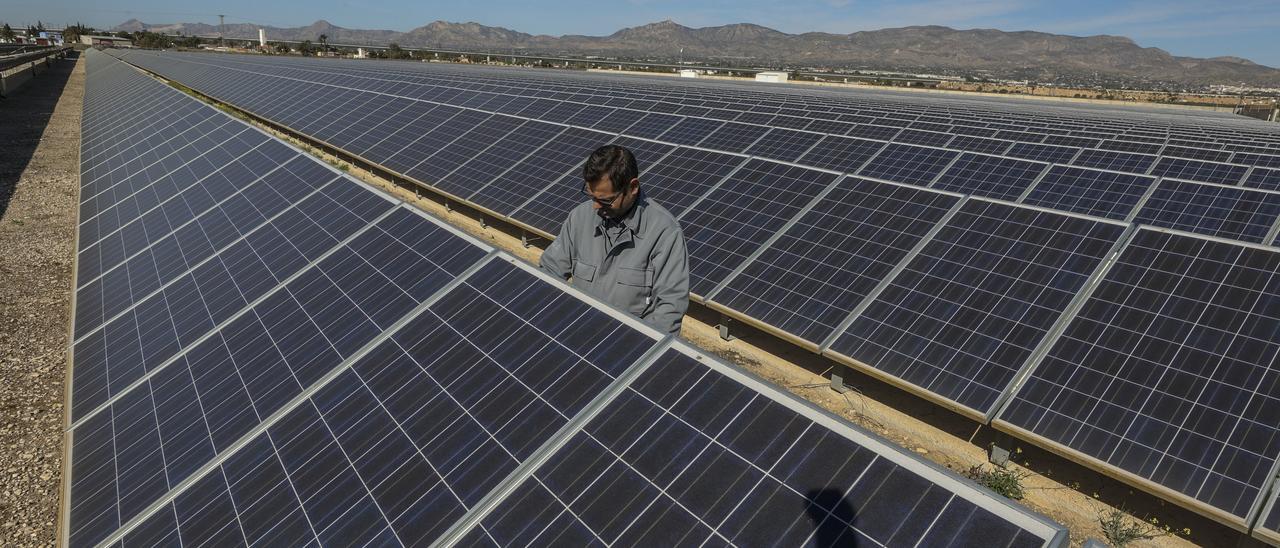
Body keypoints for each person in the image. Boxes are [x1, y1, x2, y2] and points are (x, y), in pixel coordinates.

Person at [539, 144, 689, 335]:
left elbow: (669, 307)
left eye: (605, 200)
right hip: (577, 334)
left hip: (626, 347)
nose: (594, 206)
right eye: (591, 195)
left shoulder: (664, 232)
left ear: (633, 187)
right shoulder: (579, 218)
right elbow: (550, 273)